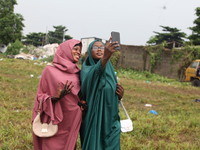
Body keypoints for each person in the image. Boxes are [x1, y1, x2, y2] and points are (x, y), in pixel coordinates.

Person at [32, 39, 83, 150]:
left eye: (80, 50)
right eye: (75, 49)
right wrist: (55, 98)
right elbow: (40, 96)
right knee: (51, 145)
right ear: (65, 50)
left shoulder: (78, 73)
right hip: (54, 117)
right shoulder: (49, 71)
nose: (79, 52)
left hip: (72, 118)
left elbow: (81, 94)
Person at [80, 38, 124, 150]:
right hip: (94, 118)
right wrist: (106, 56)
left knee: (113, 144)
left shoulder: (109, 69)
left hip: (110, 118)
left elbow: (110, 88)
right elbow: (95, 74)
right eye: (96, 47)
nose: (99, 50)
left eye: (102, 47)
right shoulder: (86, 70)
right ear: (90, 51)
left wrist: (119, 95)